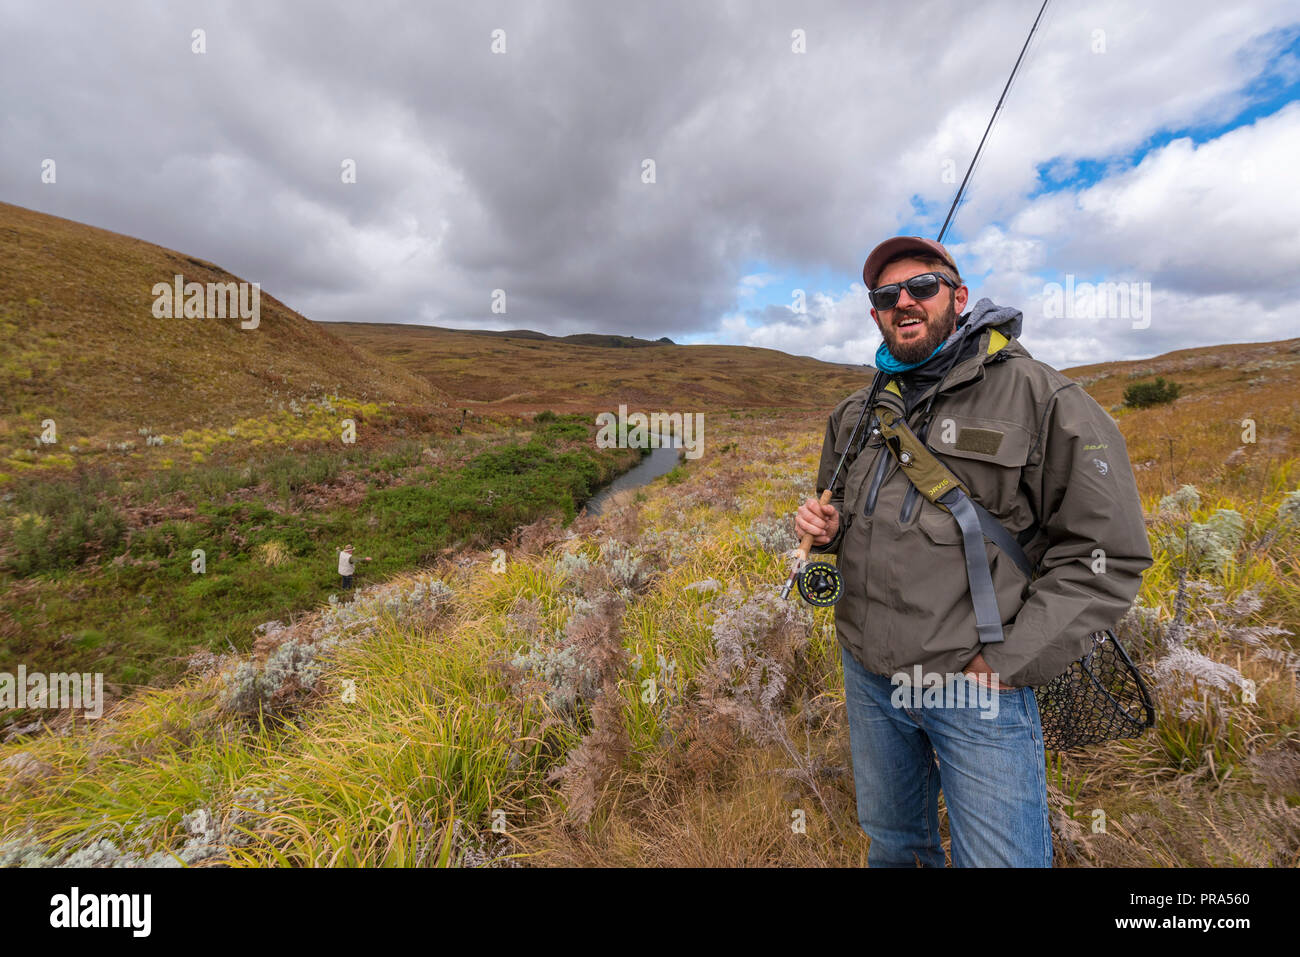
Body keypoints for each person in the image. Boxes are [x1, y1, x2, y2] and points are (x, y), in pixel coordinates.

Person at [794, 236, 1152, 867]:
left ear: (958, 297)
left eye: (921, 287)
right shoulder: (856, 413)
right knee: (895, 847)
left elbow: (1106, 555)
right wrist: (826, 532)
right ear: (874, 312)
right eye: (885, 295)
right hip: (870, 676)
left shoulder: (1044, 399)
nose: (903, 301)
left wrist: (1007, 664)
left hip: (977, 684)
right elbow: (850, 514)